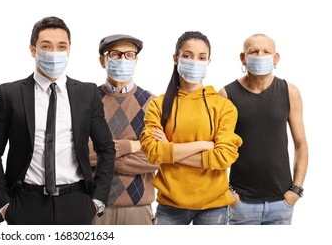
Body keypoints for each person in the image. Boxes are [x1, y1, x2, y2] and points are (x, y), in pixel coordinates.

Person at [0, 16, 116, 225]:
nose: (54, 53)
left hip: (77, 202)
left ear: (69, 50)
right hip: (26, 203)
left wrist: (97, 199)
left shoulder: (87, 93)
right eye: (46, 46)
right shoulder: (10, 94)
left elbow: (106, 148)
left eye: (61, 46)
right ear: (33, 50)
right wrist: (4, 204)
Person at [140, 31, 242, 225]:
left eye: (201, 57)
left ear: (208, 61)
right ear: (175, 58)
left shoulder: (223, 106)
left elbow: (224, 157)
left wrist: (170, 152)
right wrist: (204, 144)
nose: (195, 62)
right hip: (170, 206)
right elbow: (153, 153)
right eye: (187, 56)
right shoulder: (158, 105)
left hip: (214, 206)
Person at [220, 34, 309, 225]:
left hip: (281, 202)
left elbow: (301, 144)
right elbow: (217, 148)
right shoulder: (227, 94)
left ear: (275, 58)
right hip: (241, 203)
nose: (260, 55)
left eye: (266, 51)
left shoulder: (289, 91)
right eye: (253, 51)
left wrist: (296, 191)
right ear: (243, 58)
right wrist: (229, 195)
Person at [89, 34, 158, 225]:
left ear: (136, 60)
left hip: (138, 209)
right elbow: (79, 152)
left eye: (129, 55)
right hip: (94, 207)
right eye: (115, 54)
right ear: (103, 60)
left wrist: (104, 156)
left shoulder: (152, 103)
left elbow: (157, 157)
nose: (123, 60)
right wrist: (133, 145)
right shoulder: (87, 100)